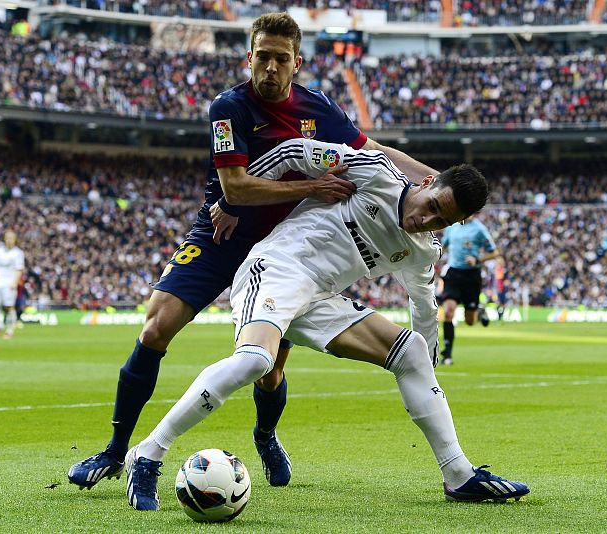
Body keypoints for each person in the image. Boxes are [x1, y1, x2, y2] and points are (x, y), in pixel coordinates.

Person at [68, 12, 437, 491]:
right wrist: (312, 186)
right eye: (262, 56)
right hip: (220, 235)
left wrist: (438, 181)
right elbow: (236, 188)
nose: (270, 67)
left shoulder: (317, 109)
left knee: (268, 369)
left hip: (281, 251)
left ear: (296, 63)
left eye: (280, 59)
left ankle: (265, 435)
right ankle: (116, 452)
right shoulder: (229, 107)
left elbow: (374, 149)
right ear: (249, 57)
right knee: (156, 328)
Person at [124, 138, 529, 510]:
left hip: (319, 300)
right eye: (433, 205)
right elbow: (294, 151)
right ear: (426, 182)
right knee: (255, 362)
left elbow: (424, 308)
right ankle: (148, 452)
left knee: (412, 352)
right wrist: (236, 200)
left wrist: (429, 374)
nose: (427, 219)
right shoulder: (374, 172)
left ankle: (459, 476)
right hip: (277, 270)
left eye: (442, 221)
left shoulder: (423, 251)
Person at [437, 215, 499, 365]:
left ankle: (479, 309)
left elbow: (494, 252)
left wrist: (477, 260)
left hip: (471, 276)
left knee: (470, 321)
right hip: (453, 274)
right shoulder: (451, 227)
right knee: (449, 311)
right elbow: (443, 246)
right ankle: (448, 354)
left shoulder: (479, 229)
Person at [0, 230, 25, 339]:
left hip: (9, 282)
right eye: (8, 238)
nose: (9, 240)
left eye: (11, 238)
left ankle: (10, 331)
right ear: (4, 239)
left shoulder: (18, 253)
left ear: (15, 240)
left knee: (9, 307)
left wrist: (15, 282)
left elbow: (19, 269)